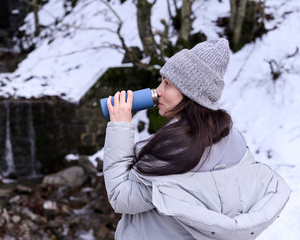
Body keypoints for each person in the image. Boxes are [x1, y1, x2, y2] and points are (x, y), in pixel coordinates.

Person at [103, 38, 291, 240]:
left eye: (167, 84)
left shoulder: (173, 152)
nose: (158, 91)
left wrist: (120, 126)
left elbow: (121, 196)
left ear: (191, 94)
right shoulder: (232, 138)